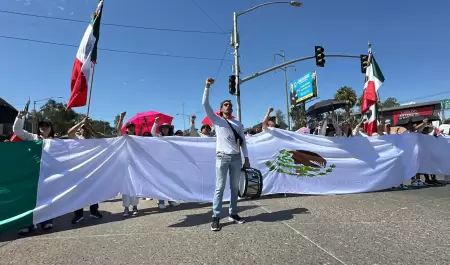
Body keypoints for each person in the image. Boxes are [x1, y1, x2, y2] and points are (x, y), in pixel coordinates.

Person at [202, 77, 250, 231]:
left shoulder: (239, 124)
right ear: (221, 109)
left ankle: (233, 213)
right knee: (220, 188)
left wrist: (246, 158)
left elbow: (243, 143)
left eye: (230, 105)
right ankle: (216, 217)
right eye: (225, 105)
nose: (228, 106)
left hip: (236, 158)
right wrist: (207, 87)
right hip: (222, 157)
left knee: (235, 188)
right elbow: (205, 104)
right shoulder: (216, 121)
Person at [13, 111, 55, 234]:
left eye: (46, 125)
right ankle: (28, 223)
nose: (43, 127)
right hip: (32, 173)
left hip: (48, 174)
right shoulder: (32, 137)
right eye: (41, 125)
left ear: (51, 128)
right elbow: (17, 130)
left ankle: (46, 221)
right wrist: (20, 117)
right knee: (29, 199)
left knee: (47, 198)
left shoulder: (57, 142)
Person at [68, 117, 103, 224]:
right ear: (80, 130)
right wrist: (81, 123)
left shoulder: (94, 140)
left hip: (92, 170)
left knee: (93, 191)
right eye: (83, 129)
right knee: (78, 193)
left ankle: (94, 211)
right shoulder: (77, 138)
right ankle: (78, 214)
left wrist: (89, 126)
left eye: (86, 129)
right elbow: (70, 132)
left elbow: (98, 136)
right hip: (79, 171)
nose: (85, 130)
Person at [151, 117, 181, 209]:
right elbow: (152, 133)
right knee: (161, 183)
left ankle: (171, 200)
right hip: (161, 164)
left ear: (169, 129)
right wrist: (155, 123)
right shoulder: (159, 137)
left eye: (166, 128)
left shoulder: (173, 138)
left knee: (171, 183)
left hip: (171, 164)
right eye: (163, 128)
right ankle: (161, 202)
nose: (165, 129)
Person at [116, 112, 140, 217]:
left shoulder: (137, 138)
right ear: (126, 129)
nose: (131, 128)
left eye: (132, 127)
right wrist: (121, 118)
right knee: (125, 187)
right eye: (129, 127)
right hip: (124, 166)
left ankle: (135, 207)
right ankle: (126, 208)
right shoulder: (123, 137)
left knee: (135, 186)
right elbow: (118, 130)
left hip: (135, 166)